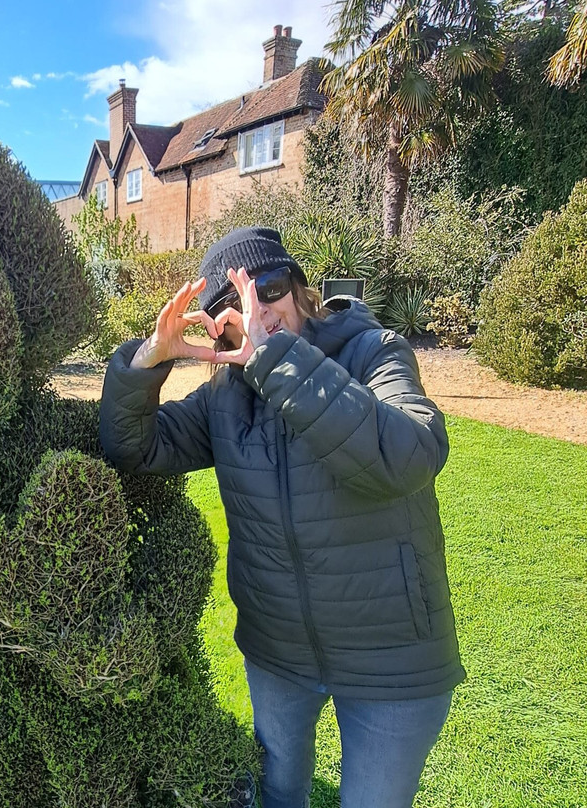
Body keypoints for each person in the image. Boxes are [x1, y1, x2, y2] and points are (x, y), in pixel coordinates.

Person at [99, 227, 464, 808]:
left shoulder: (374, 351)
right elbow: (135, 450)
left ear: (298, 288)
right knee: (278, 793)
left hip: (392, 658)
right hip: (278, 653)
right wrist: (148, 361)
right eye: (230, 303)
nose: (256, 309)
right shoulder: (227, 395)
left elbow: (409, 454)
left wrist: (275, 359)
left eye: (266, 288)